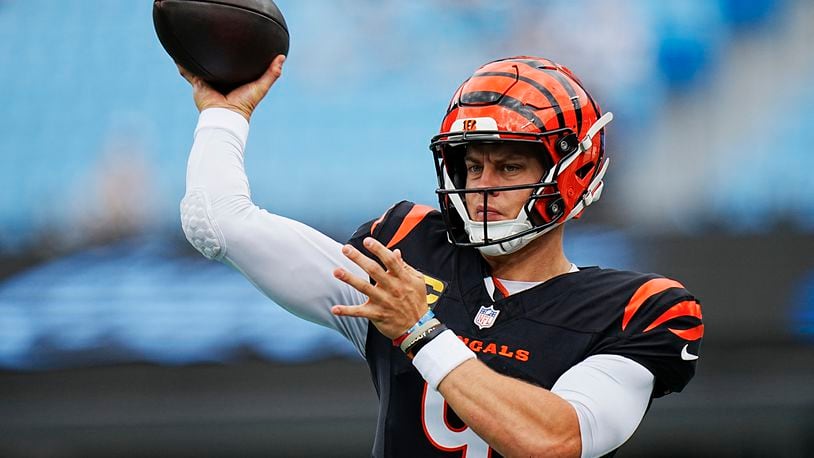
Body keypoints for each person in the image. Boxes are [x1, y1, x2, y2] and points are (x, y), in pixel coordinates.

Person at [178, 54, 704, 458]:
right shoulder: (406, 256)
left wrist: (421, 332)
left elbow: (554, 442)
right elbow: (217, 223)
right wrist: (225, 115)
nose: (482, 186)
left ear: (572, 173)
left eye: (510, 166)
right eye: (472, 166)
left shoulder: (638, 310)